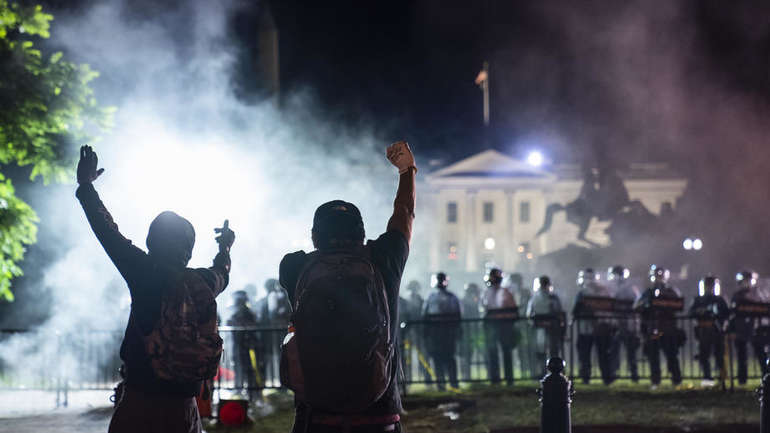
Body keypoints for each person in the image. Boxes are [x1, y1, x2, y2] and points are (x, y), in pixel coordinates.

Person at [75, 145, 234, 433]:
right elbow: (222, 272)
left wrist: (86, 186)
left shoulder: (144, 272)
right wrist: (225, 246)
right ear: (189, 249)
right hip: (185, 410)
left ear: (151, 241)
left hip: (140, 406)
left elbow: (106, 231)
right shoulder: (203, 282)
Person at [278, 140, 416, 433]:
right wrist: (407, 171)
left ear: (314, 236)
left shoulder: (294, 266)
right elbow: (404, 213)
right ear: (362, 233)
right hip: (379, 416)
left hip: (317, 417)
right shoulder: (384, 258)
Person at [634, 265, 683, 387]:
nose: (658, 279)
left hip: (668, 328)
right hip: (653, 329)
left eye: (660, 276)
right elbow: (637, 306)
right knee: (653, 355)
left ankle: (676, 379)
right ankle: (655, 380)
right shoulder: (648, 292)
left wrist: (664, 304)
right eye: (656, 276)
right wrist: (646, 306)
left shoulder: (671, 291)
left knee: (671, 354)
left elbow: (679, 304)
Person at [573, 268, 615, 385]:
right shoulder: (603, 291)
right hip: (597, 328)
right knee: (601, 354)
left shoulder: (582, 293)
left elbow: (575, 311)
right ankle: (605, 378)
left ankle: (588, 377)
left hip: (591, 328)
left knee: (588, 354)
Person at [422, 272, 461, 390]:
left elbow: (457, 314)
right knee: (438, 357)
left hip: (447, 331)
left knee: (448, 357)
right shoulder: (431, 297)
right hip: (436, 332)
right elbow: (425, 315)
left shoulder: (450, 297)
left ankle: (452, 382)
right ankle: (442, 383)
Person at [730, 270, 770, 384]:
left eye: (749, 280)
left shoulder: (760, 294)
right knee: (742, 356)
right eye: (744, 281)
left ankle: (765, 378)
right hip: (742, 329)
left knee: (761, 355)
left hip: (757, 329)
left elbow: (765, 308)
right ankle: (742, 379)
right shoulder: (737, 296)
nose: (747, 283)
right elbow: (734, 312)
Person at [689, 275, 729, 386]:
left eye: (711, 286)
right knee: (704, 355)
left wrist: (719, 318)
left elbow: (727, 313)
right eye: (707, 286)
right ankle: (707, 377)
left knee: (719, 355)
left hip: (717, 331)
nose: (709, 288)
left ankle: (722, 377)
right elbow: (691, 312)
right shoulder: (698, 299)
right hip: (703, 331)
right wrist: (699, 311)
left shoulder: (720, 299)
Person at [482, 268, 518, 385]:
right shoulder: (488, 292)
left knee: (505, 352)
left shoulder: (505, 292)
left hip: (503, 326)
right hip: (493, 326)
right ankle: (496, 378)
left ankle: (508, 378)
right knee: (493, 352)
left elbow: (513, 310)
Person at [606, 265, 640, 382]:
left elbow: (636, 305)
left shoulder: (630, 289)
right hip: (617, 324)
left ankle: (633, 373)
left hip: (627, 324)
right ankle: (614, 373)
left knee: (630, 351)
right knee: (615, 349)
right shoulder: (612, 288)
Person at [226, 290, 261, 401]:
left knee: (248, 369)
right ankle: (240, 388)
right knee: (239, 367)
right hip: (239, 345)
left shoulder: (247, 313)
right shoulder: (238, 313)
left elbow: (251, 326)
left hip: (246, 345)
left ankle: (252, 392)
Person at [526, 275, 564, 377]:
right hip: (543, 328)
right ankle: (547, 372)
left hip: (548, 328)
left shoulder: (544, 298)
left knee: (549, 350)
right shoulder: (539, 298)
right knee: (543, 350)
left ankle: (549, 372)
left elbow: (529, 314)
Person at [459, 283, 482, 380]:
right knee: (466, 354)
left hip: (476, 331)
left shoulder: (477, 301)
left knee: (482, 352)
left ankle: (466, 376)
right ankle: (466, 376)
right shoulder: (463, 301)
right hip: (466, 331)